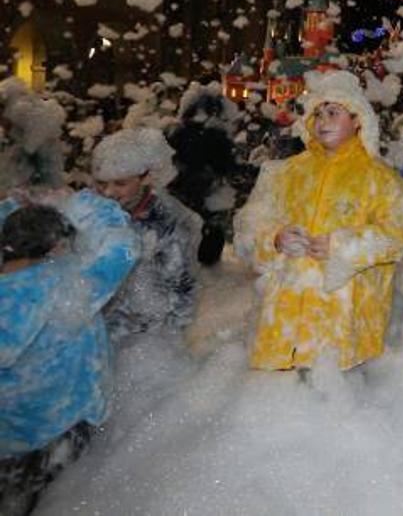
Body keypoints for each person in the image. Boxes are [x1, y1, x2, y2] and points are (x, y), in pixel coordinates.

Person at [234, 70, 403, 372]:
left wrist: (343, 245)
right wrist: (275, 239)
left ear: (357, 120)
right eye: (317, 113)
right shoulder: (288, 172)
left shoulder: (379, 178)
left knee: (328, 403)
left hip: (342, 327)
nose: (322, 120)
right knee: (281, 406)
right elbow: (250, 225)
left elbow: (399, 235)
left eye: (334, 112)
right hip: (283, 327)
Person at [1, 192, 137, 514]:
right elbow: (124, 246)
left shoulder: (9, 292)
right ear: (56, 247)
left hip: (9, 430)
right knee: (57, 500)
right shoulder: (69, 284)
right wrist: (85, 203)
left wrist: (10, 209)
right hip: (61, 425)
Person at [90, 127, 200, 339]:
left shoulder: (169, 222)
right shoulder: (95, 209)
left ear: (146, 178)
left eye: (120, 183)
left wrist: (169, 337)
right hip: (101, 327)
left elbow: (183, 289)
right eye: (101, 184)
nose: (108, 192)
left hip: (145, 334)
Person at [166, 83, 251, 266]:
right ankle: (206, 263)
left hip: (179, 190)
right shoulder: (217, 136)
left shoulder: (176, 132)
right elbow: (226, 166)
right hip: (207, 192)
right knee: (209, 234)